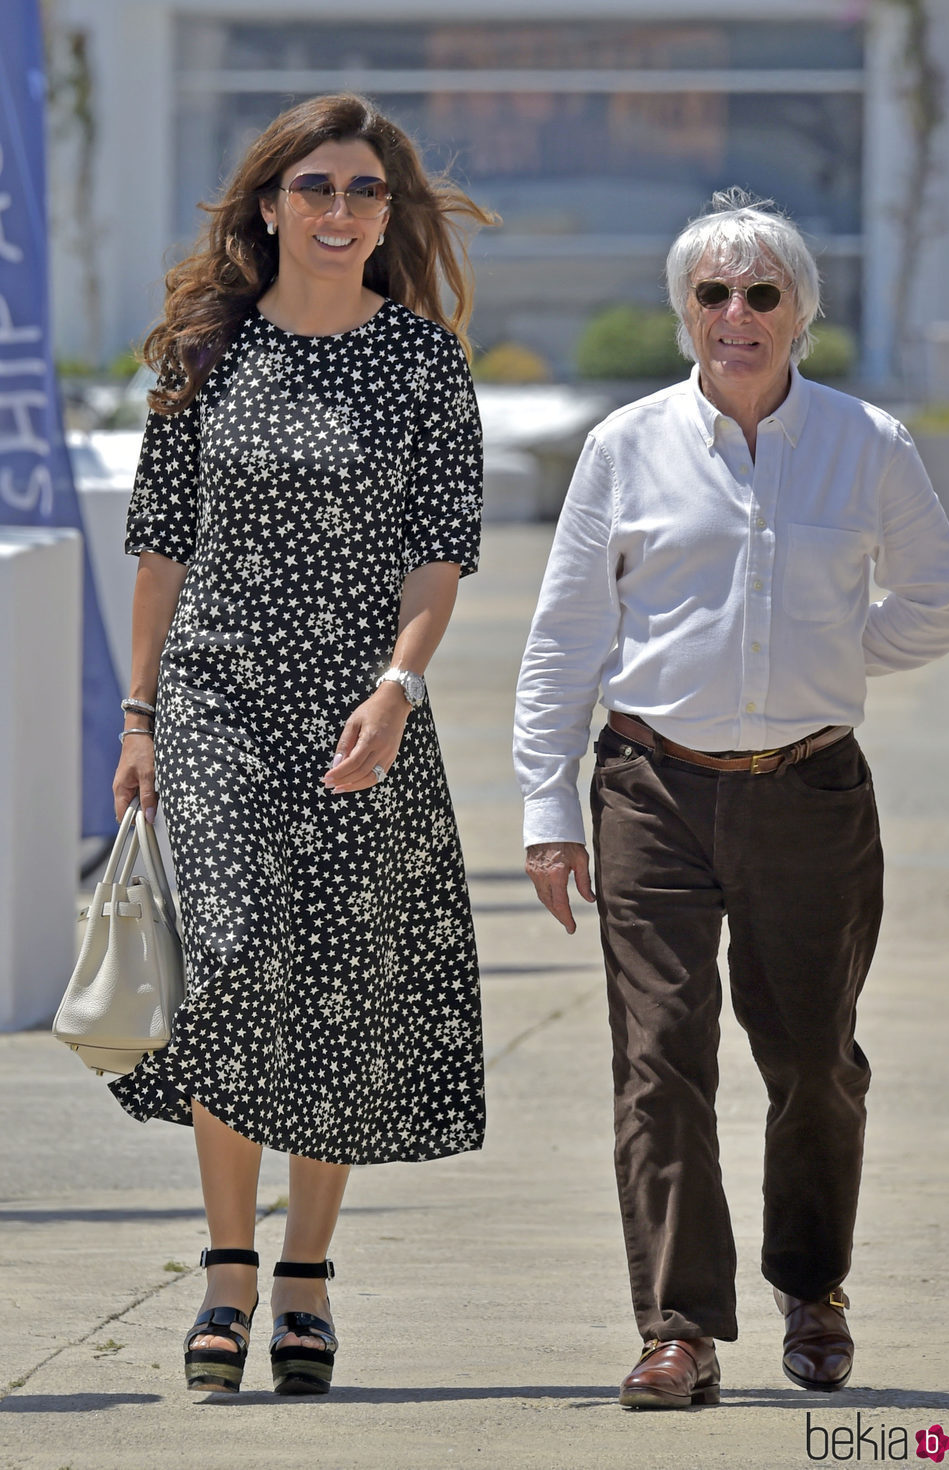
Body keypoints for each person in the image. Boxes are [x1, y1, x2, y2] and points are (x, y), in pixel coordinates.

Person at [513, 189, 949, 1410]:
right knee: (658, 1060)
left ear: (799, 313)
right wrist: (546, 810)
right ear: (684, 314)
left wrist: (824, 655)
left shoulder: (865, 441)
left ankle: (810, 1288)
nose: (734, 314)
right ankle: (678, 1327)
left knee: (814, 1061)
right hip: (650, 787)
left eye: (759, 293)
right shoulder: (625, 446)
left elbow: (937, 600)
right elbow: (564, 636)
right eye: (711, 294)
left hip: (810, 792)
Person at [110, 93, 494, 1396]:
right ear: (268, 203)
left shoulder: (423, 362)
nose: (343, 212)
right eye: (319, 187)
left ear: (391, 214)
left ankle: (307, 1275)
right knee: (231, 973)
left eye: (367, 193)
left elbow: (439, 555)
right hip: (217, 705)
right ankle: (227, 1266)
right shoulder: (205, 353)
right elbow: (162, 541)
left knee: (331, 987)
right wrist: (140, 711)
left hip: (357, 713)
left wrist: (397, 687)